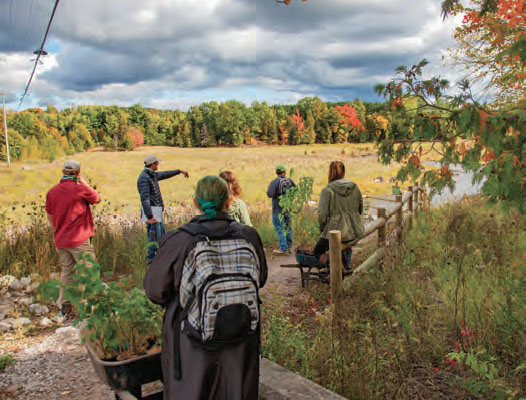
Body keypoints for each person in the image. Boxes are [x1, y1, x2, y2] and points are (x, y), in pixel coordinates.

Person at [144, 175, 267, 400]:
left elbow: (155, 291)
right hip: (241, 341)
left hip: (193, 346)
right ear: (229, 202)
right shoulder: (248, 235)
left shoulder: (178, 240)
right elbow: (262, 278)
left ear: (195, 203)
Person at [45, 160, 101, 315]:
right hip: (79, 239)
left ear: (63, 172)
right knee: (88, 271)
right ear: (77, 173)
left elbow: (50, 217)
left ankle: (65, 305)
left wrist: (58, 229)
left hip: (61, 238)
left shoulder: (52, 192)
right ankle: (87, 307)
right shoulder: (80, 189)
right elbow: (97, 198)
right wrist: (84, 182)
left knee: (67, 271)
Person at [137, 155, 189, 262]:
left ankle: (159, 259)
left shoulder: (151, 175)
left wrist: (179, 171)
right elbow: (145, 199)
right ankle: (151, 260)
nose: (158, 165)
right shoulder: (144, 178)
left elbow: (165, 174)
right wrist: (150, 216)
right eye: (157, 163)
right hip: (151, 211)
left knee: (159, 236)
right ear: (153, 164)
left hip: (155, 210)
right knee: (153, 237)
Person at [314, 161, 365, 270]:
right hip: (354, 229)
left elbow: (322, 215)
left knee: (318, 251)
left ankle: (334, 268)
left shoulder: (327, 190)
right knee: (346, 247)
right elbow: (360, 208)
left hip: (335, 230)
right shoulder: (354, 188)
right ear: (343, 172)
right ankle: (345, 267)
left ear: (330, 173)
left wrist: (322, 228)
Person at [266, 164, 296, 255]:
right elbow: (295, 191)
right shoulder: (290, 181)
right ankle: (290, 247)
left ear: (276, 173)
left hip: (277, 210)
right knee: (288, 227)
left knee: (279, 228)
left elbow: (269, 194)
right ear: (284, 172)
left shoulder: (274, 182)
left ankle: (283, 248)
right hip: (287, 208)